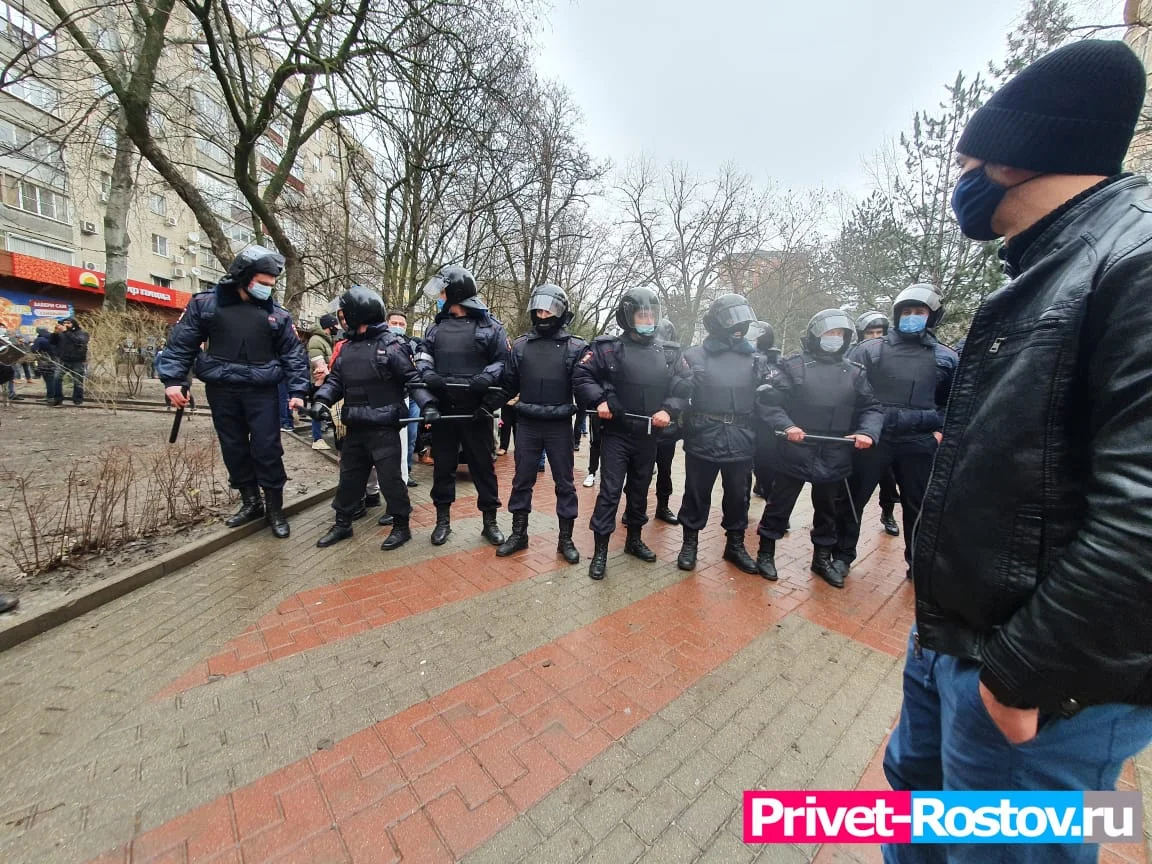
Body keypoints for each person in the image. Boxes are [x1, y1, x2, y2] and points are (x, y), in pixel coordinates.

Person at [883, 41, 1152, 864]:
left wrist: (1021, 673)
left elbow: (1142, 513)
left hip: (1039, 690)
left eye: (964, 161)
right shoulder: (1042, 266)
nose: (956, 181)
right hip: (951, 646)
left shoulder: (1134, 261)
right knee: (919, 827)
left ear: (1018, 153)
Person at [158, 247, 309, 539]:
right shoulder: (206, 305)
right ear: (243, 277)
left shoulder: (277, 316)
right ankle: (250, 501)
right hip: (222, 388)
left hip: (262, 390)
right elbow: (182, 345)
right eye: (262, 283)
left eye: (271, 285)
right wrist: (174, 381)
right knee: (233, 446)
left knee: (267, 449)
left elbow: (293, 355)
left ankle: (275, 509)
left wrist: (298, 391)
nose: (268, 289)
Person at [833, 284, 958, 578]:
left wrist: (941, 431)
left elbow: (955, 401)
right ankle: (841, 556)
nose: (912, 316)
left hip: (920, 441)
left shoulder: (946, 357)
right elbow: (850, 394)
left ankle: (918, 563)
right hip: (875, 438)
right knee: (852, 499)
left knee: (918, 506)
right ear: (897, 314)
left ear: (932, 316)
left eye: (919, 312)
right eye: (907, 311)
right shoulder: (870, 350)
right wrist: (855, 430)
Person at [572, 286, 692, 580]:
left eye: (651, 314)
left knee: (639, 490)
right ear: (627, 316)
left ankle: (634, 539)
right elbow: (581, 374)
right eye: (641, 314)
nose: (647, 319)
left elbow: (685, 382)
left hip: (649, 435)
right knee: (610, 491)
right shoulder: (607, 347)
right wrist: (600, 400)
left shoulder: (669, 352)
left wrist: (670, 409)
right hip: (616, 434)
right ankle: (600, 549)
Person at [756, 309, 883, 586]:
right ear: (816, 335)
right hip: (796, 447)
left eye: (839, 334)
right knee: (779, 505)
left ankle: (822, 558)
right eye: (829, 333)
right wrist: (787, 425)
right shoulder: (794, 366)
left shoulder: (855, 373)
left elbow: (871, 407)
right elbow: (770, 402)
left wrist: (866, 432)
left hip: (835, 451)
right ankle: (766, 552)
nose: (834, 338)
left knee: (827, 511)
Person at [310, 288, 433, 551]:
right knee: (350, 480)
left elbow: (413, 380)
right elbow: (335, 381)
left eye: (344, 314)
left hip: (384, 428)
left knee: (391, 480)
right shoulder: (347, 349)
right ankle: (342, 523)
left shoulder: (391, 346)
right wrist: (321, 401)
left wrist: (428, 405)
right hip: (355, 426)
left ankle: (401, 526)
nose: (341, 319)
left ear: (358, 313)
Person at [410, 265, 509, 547]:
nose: (440, 297)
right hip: (444, 411)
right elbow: (423, 356)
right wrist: (428, 374)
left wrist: (486, 379)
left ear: (455, 292)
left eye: (442, 292)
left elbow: (503, 362)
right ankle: (443, 521)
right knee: (443, 468)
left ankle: (489, 521)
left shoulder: (491, 327)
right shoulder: (435, 327)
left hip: (476, 412)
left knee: (483, 468)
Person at [495, 284, 587, 563]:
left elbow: (585, 386)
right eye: (539, 308)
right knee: (522, 480)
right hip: (528, 425)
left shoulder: (575, 347)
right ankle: (519, 534)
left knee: (565, 484)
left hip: (559, 425)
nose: (542, 313)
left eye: (548, 309)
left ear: (560, 311)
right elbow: (506, 385)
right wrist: (482, 403)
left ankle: (565, 539)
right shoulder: (521, 346)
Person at [675, 295, 766, 574]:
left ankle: (735, 544)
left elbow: (767, 402)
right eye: (731, 319)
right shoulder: (694, 355)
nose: (738, 326)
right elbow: (677, 394)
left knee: (738, 496)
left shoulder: (755, 358)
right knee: (696, 493)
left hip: (741, 435)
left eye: (742, 319)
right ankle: (689, 542)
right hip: (704, 434)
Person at [855, 311, 901, 537]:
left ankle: (888, 512)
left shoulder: (892, 357)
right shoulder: (853, 357)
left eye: (879, 333)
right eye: (869, 333)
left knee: (888, 478)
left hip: (888, 425)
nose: (874, 337)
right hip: (861, 428)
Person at [385, 309, 422, 489]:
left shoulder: (411, 344)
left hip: (412, 395)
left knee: (410, 436)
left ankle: (406, 471)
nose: (398, 327)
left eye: (401, 324)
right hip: (392, 396)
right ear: (387, 323)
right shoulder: (382, 343)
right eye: (394, 323)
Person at [652, 318, 682, 525]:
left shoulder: (678, 358)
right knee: (641, 471)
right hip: (644, 423)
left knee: (664, 469)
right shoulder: (644, 352)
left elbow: (681, 388)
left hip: (666, 424)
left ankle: (662, 506)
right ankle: (634, 508)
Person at [307, 313, 339, 451]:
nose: (337, 327)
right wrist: (331, 377)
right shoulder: (316, 340)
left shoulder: (326, 340)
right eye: (335, 325)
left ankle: (320, 433)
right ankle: (317, 438)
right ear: (329, 326)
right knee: (317, 407)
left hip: (326, 380)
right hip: (319, 381)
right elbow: (319, 365)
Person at [53, 317, 88, 405]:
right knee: (57, 378)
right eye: (64, 323)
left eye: (68, 323)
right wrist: (55, 333)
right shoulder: (62, 333)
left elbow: (79, 341)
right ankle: (57, 398)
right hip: (63, 360)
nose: (65, 325)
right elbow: (53, 342)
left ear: (74, 324)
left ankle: (77, 399)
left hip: (77, 360)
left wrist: (66, 332)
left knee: (77, 380)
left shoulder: (82, 333)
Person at [31, 326, 56, 404]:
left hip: (45, 361)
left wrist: (32, 345)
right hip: (55, 360)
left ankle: (50, 397)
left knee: (48, 380)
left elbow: (34, 350)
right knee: (52, 379)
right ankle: (51, 396)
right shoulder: (54, 337)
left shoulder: (40, 339)